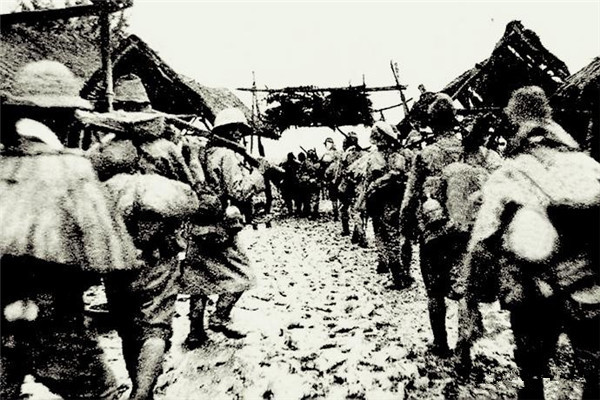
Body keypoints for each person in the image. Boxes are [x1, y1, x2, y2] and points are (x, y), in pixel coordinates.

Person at [0, 61, 138, 399]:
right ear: (63, 117)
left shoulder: (4, 165)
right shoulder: (73, 169)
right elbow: (108, 256)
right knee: (101, 392)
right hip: (54, 318)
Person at [459, 86, 599, 399]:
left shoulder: (509, 173)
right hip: (589, 288)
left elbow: (482, 239)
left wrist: (471, 298)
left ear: (516, 123)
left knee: (532, 368)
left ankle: (533, 386)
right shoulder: (588, 165)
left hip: (533, 288)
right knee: (594, 370)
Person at [88, 73, 206, 400]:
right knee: (155, 327)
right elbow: (189, 193)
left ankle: (140, 388)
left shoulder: (101, 152)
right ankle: (142, 393)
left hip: (116, 254)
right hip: (159, 254)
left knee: (127, 327)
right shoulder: (166, 150)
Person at [181, 107, 269, 347]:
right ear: (227, 131)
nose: (239, 135)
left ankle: (195, 330)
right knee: (243, 273)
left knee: (197, 280)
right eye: (236, 130)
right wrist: (258, 175)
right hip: (221, 225)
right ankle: (219, 316)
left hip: (197, 224)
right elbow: (238, 191)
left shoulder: (200, 153)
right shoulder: (227, 155)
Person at [400, 93, 464, 356]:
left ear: (432, 123)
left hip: (434, 230)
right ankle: (465, 346)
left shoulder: (425, 155)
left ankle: (441, 343)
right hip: (465, 229)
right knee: (464, 290)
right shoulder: (469, 150)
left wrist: (405, 228)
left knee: (434, 291)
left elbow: (410, 196)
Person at [363, 121, 414, 288]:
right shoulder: (403, 154)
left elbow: (369, 180)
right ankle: (405, 273)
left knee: (388, 237)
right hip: (397, 201)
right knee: (402, 237)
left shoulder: (376, 157)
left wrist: (373, 187)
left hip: (385, 202)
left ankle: (397, 277)